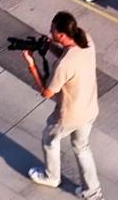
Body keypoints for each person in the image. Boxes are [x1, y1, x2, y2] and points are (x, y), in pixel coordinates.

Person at [29, 11, 101, 200]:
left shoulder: (63, 66)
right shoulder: (86, 38)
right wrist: (51, 46)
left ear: (61, 34)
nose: (50, 32)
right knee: (81, 147)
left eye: (52, 30)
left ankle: (52, 177)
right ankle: (93, 192)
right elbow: (68, 54)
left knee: (49, 139)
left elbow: (47, 92)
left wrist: (31, 65)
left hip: (69, 115)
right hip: (90, 108)